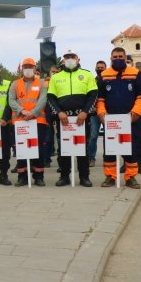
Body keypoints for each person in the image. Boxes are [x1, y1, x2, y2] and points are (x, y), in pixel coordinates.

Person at [97, 47, 141, 188]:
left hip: (131, 120)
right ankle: (110, 177)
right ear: (111, 59)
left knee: (131, 149)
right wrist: (101, 114)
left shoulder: (135, 73)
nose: (118, 59)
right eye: (115, 57)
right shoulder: (105, 75)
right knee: (109, 149)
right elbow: (100, 98)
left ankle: (130, 177)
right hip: (111, 121)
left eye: (120, 56)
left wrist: (136, 113)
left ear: (126, 58)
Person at [46, 49, 97, 187]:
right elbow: (50, 97)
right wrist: (58, 112)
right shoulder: (56, 77)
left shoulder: (87, 74)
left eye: (72, 56)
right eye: (66, 57)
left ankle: (84, 177)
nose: (69, 59)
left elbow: (93, 95)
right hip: (64, 119)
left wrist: (85, 112)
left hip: (82, 118)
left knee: (82, 148)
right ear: (63, 59)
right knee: (64, 149)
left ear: (77, 58)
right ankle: (64, 176)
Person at [9, 58, 48, 187]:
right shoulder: (15, 84)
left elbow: (43, 99)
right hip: (20, 121)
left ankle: (38, 176)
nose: (28, 69)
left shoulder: (42, 83)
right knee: (21, 149)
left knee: (38, 149)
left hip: (38, 121)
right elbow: (11, 101)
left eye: (30, 66)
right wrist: (22, 111)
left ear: (35, 68)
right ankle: (22, 177)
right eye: (25, 66)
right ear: (21, 69)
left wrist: (32, 113)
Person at [88, 60, 107, 166]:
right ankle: (91, 158)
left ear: (106, 68)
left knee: (108, 136)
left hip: (106, 112)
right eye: (98, 67)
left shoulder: (108, 80)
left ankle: (107, 157)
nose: (99, 69)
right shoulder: (92, 80)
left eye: (102, 67)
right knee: (93, 136)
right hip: (94, 113)